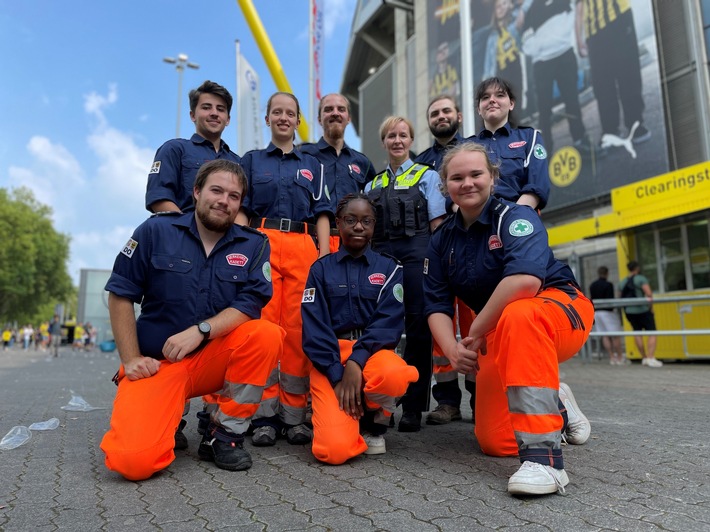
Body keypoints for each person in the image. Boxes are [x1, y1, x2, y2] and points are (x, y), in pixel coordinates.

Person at [424, 143, 593, 496]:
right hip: (502, 329)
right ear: (445, 186)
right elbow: (436, 306)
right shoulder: (441, 241)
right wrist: (454, 352)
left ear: (493, 177)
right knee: (495, 442)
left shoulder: (516, 217)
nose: (467, 183)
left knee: (520, 312)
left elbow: (525, 282)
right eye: (457, 177)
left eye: (476, 174)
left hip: (560, 309)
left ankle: (545, 461)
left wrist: (474, 333)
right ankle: (556, 401)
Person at [100, 159, 284, 480]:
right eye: (216, 190)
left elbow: (251, 302)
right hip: (158, 363)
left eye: (234, 196)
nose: (223, 201)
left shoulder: (254, 244)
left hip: (212, 359)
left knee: (266, 335)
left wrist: (202, 330)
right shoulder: (155, 230)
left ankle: (223, 433)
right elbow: (120, 293)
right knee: (132, 462)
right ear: (197, 192)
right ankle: (168, 421)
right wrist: (130, 359)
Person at [237, 92, 331, 447]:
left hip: (302, 246)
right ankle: (262, 417)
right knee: (264, 328)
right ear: (267, 119)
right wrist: (243, 247)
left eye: (289, 113)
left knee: (295, 331)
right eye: (276, 112)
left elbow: (323, 213)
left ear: (297, 119)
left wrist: (322, 257)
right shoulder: (250, 161)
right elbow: (242, 210)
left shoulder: (314, 166)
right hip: (261, 243)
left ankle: (294, 418)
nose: (283, 118)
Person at [301, 194, 419, 463]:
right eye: (350, 220)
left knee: (395, 374)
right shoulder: (320, 270)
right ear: (338, 223)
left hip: (372, 354)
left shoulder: (389, 268)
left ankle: (374, 421)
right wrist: (337, 375)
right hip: (330, 358)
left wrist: (356, 360)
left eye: (366, 221)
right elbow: (314, 327)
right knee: (334, 451)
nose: (358, 227)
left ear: (374, 225)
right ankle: (348, 417)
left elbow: (388, 323)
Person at [365, 116, 447, 432]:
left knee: (418, 331)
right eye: (390, 136)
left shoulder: (427, 177)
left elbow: (438, 226)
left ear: (411, 140)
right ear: (384, 141)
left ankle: (412, 407)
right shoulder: (371, 184)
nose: (397, 140)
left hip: (417, 258)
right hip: (381, 261)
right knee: (380, 328)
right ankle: (379, 405)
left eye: (403, 135)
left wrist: (438, 268)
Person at [415, 95, 476, 426]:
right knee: (442, 328)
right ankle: (448, 401)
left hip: (473, 247)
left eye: (446, 111)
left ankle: (481, 399)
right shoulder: (421, 162)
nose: (441, 117)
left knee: (473, 324)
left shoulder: (474, 151)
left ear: (459, 116)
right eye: (434, 113)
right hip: (437, 251)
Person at [145, 80, 240, 214]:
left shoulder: (239, 163)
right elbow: (159, 197)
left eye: (220, 109)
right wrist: (187, 231)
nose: (214, 113)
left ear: (228, 119)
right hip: (181, 232)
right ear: (192, 115)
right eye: (206, 107)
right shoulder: (174, 149)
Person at [301, 93, 376, 252]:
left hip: (353, 244)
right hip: (311, 243)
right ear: (319, 119)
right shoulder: (303, 155)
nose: (335, 113)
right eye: (328, 109)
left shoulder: (363, 163)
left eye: (341, 109)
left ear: (348, 118)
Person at [575, 0, 651, 146]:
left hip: (620, 18)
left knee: (628, 73)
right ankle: (610, 131)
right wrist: (579, 40)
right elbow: (579, 8)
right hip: (594, 33)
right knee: (602, 84)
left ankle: (636, 125)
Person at [469, 77, 551, 210]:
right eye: (485, 97)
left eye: (500, 95)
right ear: (478, 109)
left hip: (519, 219)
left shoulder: (530, 137)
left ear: (511, 104)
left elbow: (537, 185)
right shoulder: (466, 146)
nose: (492, 100)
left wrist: (510, 219)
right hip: (476, 222)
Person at [520, 0, 590, 154]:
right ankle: (545, 152)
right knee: (544, 110)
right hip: (542, 64)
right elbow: (525, 40)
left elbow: (574, 16)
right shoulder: (531, 9)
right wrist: (543, 49)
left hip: (565, 55)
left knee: (572, 101)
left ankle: (580, 140)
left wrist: (559, 41)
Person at [619, 261, 662, 368]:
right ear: (637, 268)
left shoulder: (622, 282)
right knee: (652, 332)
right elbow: (648, 293)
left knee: (637, 333)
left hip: (629, 311)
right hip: (642, 310)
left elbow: (619, 297)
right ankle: (651, 358)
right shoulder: (641, 279)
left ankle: (644, 358)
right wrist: (650, 307)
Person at [589, 266, 624, 365]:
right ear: (607, 273)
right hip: (607, 312)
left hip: (597, 312)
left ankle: (612, 357)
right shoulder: (608, 285)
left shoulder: (592, 285)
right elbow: (610, 299)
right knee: (615, 335)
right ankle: (620, 357)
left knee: (604, 335)